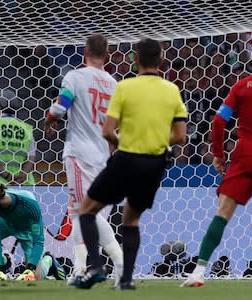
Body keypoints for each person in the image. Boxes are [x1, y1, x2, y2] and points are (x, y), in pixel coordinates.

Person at [76, 37, 187, 290]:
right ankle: (126, 279)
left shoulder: (125, 88)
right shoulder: (172, 90)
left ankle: (95, 266)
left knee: (86, 210)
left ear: (135, 60)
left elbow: (107, 131)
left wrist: (122, 142)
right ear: (161, 60)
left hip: (126, 158)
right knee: (131, 219)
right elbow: (180, 136)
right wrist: (156, 142)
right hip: (155, 163)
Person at [44, 33, 124, 286]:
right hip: (102, 155)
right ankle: (79, 269)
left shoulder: (75, 76)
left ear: (84, 53)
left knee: (84, 210)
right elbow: (116, 125)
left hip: (80, 153)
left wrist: (50, 118)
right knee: (76, 209)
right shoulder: (113, 84)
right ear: (107, 55)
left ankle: (120, 261)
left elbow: (60, 106)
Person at [181, 75, 252, 287]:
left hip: (245, 157)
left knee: (222, 214)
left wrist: (218, 154)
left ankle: (199, 271)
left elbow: (219, 121)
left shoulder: (242, 85)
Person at [0, 181, 65, 281]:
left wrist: (30, 269)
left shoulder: (30, 204)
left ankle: (48, 260)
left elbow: (38, 241)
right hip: (5, 224)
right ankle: (5, 262)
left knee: (36, 277)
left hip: (27, 231)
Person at [0, 91, 36, 185]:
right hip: (23, 184)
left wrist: (8, 176)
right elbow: (30, 159)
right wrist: (21, 177)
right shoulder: (27, 129)